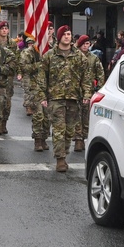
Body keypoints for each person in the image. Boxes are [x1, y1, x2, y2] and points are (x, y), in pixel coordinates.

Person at [37, 25, 90, 172]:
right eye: (64, 34)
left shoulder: (79, 56)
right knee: (59, 129)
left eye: (69, 34)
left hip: (74, 98)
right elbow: (42, 77)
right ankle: (60, 159)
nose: (67, 36)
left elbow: (86, 77)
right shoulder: (49, 55)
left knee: (69, 131)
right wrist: (42, 96)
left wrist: (86, 94)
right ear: (59, 36)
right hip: (56, 98)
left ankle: (64, 153)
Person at [75, 34, 106, 151]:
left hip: (89, 90)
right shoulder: (74, 57)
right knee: (76, 115)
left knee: (87, 115)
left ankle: (86, 137)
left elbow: (100, 74)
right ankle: (78, 139)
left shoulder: (94, 58)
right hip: (75, 90)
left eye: (87, 44)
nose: (85, 46)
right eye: (83, 44)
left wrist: (99, 88)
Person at [19, 32, 48, 151]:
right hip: (35, 87)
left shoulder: (48, 52)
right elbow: (24, 67)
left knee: (47, 117)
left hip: (48, 88)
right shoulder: (27, 53)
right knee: (39, 115)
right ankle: (37, 140)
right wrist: (38, 65)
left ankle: (44, 138)